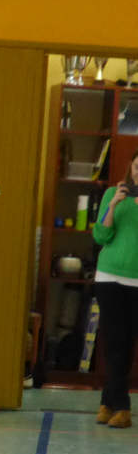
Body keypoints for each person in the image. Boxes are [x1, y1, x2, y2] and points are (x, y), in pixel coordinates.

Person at [92, 150, 138, 429]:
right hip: (108, 277)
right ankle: (121, 406)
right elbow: (101, 235)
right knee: (113, 341)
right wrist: (113, 205)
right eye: (137, 166)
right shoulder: (113, 193)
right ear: (131, 167)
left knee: (126, 343)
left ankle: (108, 402)